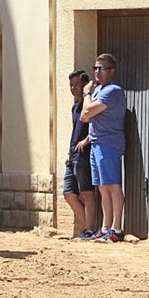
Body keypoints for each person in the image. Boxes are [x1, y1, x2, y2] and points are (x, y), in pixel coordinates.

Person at [80, 53, 127, 244]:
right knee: (102, 187)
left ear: (112, 71)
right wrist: (88, 103)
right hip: (96, 142)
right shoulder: (99, 90)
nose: (97, 72)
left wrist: (86, 95)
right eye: (95, 68)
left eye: (102, 68)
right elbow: (84, 115)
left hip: (109, 143)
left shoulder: (112, 91)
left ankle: (117, 228)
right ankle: (105, 227)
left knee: (113, 186)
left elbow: (88, 110)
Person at [64, 70, 97, 240]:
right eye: (71, 85)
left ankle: (90, 230)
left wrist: (86, 141)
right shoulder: (75, 107)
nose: (73, 88)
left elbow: (98, 127)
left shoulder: (89, 104)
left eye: (76, 84)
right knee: (68, 193)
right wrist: (70, 152)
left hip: (84, 154)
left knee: (87, 193)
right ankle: (90, 227)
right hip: (73, 156)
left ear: (84, 85)